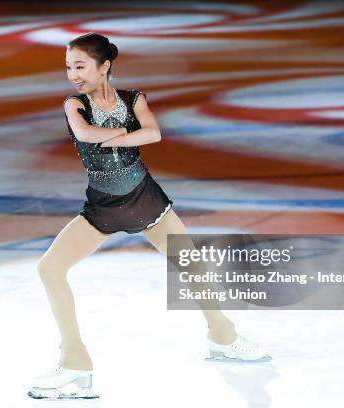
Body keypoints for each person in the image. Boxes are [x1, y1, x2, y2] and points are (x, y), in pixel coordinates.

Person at [28, 32, 270, 401]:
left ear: (103, 65)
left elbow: (154, 133)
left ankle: (222, 335)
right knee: (50, 269)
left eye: (80, 66)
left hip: (145, 198)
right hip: (103, 207)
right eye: (68, 67)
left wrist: (118, 135)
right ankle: (75, 362)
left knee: (190, 262)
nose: (72, 74)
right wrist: (128, 133)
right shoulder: (74, 104)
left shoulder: (133, 98)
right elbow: (85, 133)